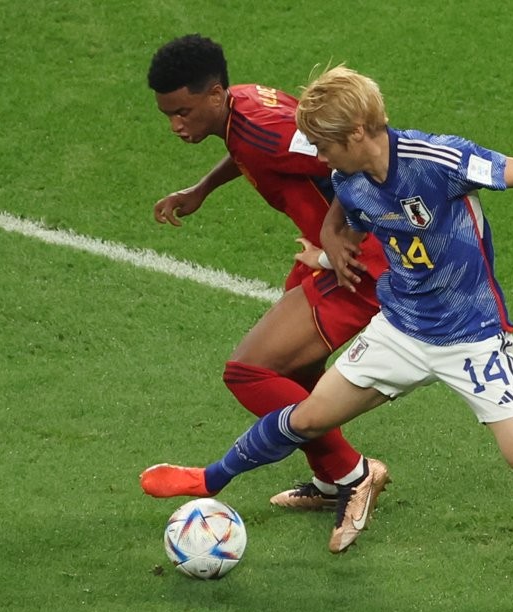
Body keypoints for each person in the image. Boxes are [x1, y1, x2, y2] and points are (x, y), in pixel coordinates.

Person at [141, 64, 513, 612]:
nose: (322, 161)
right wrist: (332, 249)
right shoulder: (351, 177)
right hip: (399, 330)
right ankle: (210, 478)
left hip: (473, 341)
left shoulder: (437, 160)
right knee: (306, 417)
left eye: (327, 147)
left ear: (357, 132)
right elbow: (342, 216)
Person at [142, 35, 391, 553]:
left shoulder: (265, 130)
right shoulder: (244, 107)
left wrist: (333, 238)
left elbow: (353, 162)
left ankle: (354, 473)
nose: (175, 125)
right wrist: (201, 189)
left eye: (183, 112)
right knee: (297, 373)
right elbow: (252, 152)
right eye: (168, 114)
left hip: (357, 266)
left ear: (214, 94)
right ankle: (330, 482)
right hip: (328, 256)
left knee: (250, 372)